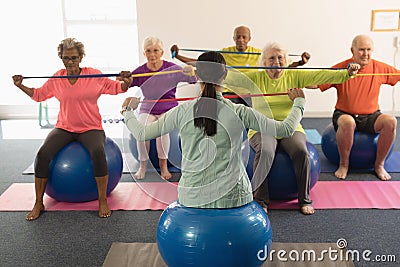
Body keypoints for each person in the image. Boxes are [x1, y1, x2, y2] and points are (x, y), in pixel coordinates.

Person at [122, 51, 306, 210]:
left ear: (197, 76)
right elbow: (287, 129)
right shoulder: (239, 111)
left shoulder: (181, 111)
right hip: (234, 198)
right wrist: (299, 103)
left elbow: (141, 133)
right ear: (224, 75)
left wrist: (127, 111)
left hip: (192, 197)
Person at [226, 42, 360, 215]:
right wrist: (202, 72)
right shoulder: (255, 78)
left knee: (301, 151)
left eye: (280, 57)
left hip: (290, 126)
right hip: (262, 127)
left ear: (286, 59)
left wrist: (347, 73)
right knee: (266, 151)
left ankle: (304, 199)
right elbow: (229, 77)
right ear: (264, 62)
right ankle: (260, 200)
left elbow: (321, 75)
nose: (277, 61)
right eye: (272, 58)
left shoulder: (294, 75)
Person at [12, 37, 133, 220]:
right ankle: (38, 202)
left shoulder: (93, 75)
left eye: (74, 58)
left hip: (91, 128)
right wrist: (20, 85)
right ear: (61, 58)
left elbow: (117, 88)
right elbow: (38, 95)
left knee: (98, 152)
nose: (70, 62)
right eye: (66, 58)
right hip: (65, 127)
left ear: (81, 57)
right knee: (43, 154)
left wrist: (127, 81)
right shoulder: (57, 78)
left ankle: (102, 200)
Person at [318, 34, 400, 180]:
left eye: (369, 49)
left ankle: (379, 165)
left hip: (371, 116)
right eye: (361, 49)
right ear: (352, 50)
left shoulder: (379, 67)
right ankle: (344, 164)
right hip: (344, 114)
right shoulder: (341, 68)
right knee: (348, 123)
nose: (365, 54)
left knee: (391, 121)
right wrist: (297, 79)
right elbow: (318, 82)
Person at [170, 25, 311, 106]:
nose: (241, 40)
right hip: (229, 93)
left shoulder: (258, 53)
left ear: (249, 38)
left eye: (244, 37)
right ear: (233, 38)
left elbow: (279, 68)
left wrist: (300, 63)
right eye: (238, 36)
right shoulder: (225, 52)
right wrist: (177, 56)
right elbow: (202, 63)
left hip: (250, 93)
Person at [129, 36, 196, 180]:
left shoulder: (171, 69)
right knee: (141, 132)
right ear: (144, 53)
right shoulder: (141, 71)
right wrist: (123, 78)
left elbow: (192, 81)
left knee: (162, 131)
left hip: (168, 107)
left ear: (161, 52)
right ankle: (143, 166)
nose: (152, 54)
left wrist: (191, 72)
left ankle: (163, 167)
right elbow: (125, 84)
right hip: (148, 108)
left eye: (155, 50)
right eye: (148, 51)